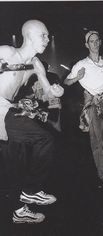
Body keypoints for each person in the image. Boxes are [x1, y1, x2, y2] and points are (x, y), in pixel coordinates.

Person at [0, 20, 64, 224]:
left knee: (15, 163)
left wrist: (55, 93)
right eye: (42, 35)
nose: (47, 39)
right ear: (28, 36)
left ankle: (19, 211)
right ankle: (31, 190)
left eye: (47, 36)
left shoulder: (36, 64)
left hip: (7, 109)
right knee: (44, 139)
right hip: (2, 108)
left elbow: (47, 93)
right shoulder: (8, 52)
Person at [64, 30, 103, 191]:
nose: (95, 43)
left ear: (100, 42)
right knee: (97, 140)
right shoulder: (82, 63)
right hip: (91, 102)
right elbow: (67, 82)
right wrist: (78, 77)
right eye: (92, 41)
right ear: (86, 44)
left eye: (97, 40)